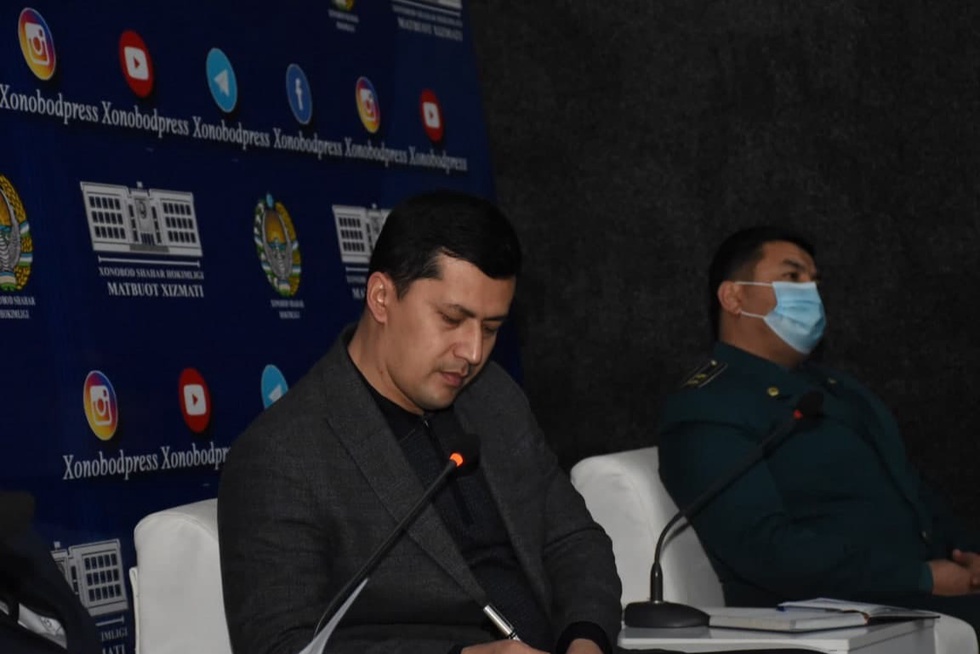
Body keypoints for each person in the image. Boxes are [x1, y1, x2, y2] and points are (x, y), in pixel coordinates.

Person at [218, 190, 622, 654]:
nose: (473, 352)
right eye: (452, 319)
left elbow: (574, 541)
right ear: (382, 297)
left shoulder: (494, 397)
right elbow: (279, 645)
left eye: (491, 329)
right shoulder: (283, 455)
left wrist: (585, 639)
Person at [657, 225, 980, 632]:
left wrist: (967, 554)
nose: (810, 292)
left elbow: (911, 488)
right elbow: (764, 548)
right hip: (835, 617)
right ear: (734, 297)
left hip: (914, 596)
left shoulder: (837, 388)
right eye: (792, 277)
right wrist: (923, 577)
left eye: (814, 281)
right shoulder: (708, 406)